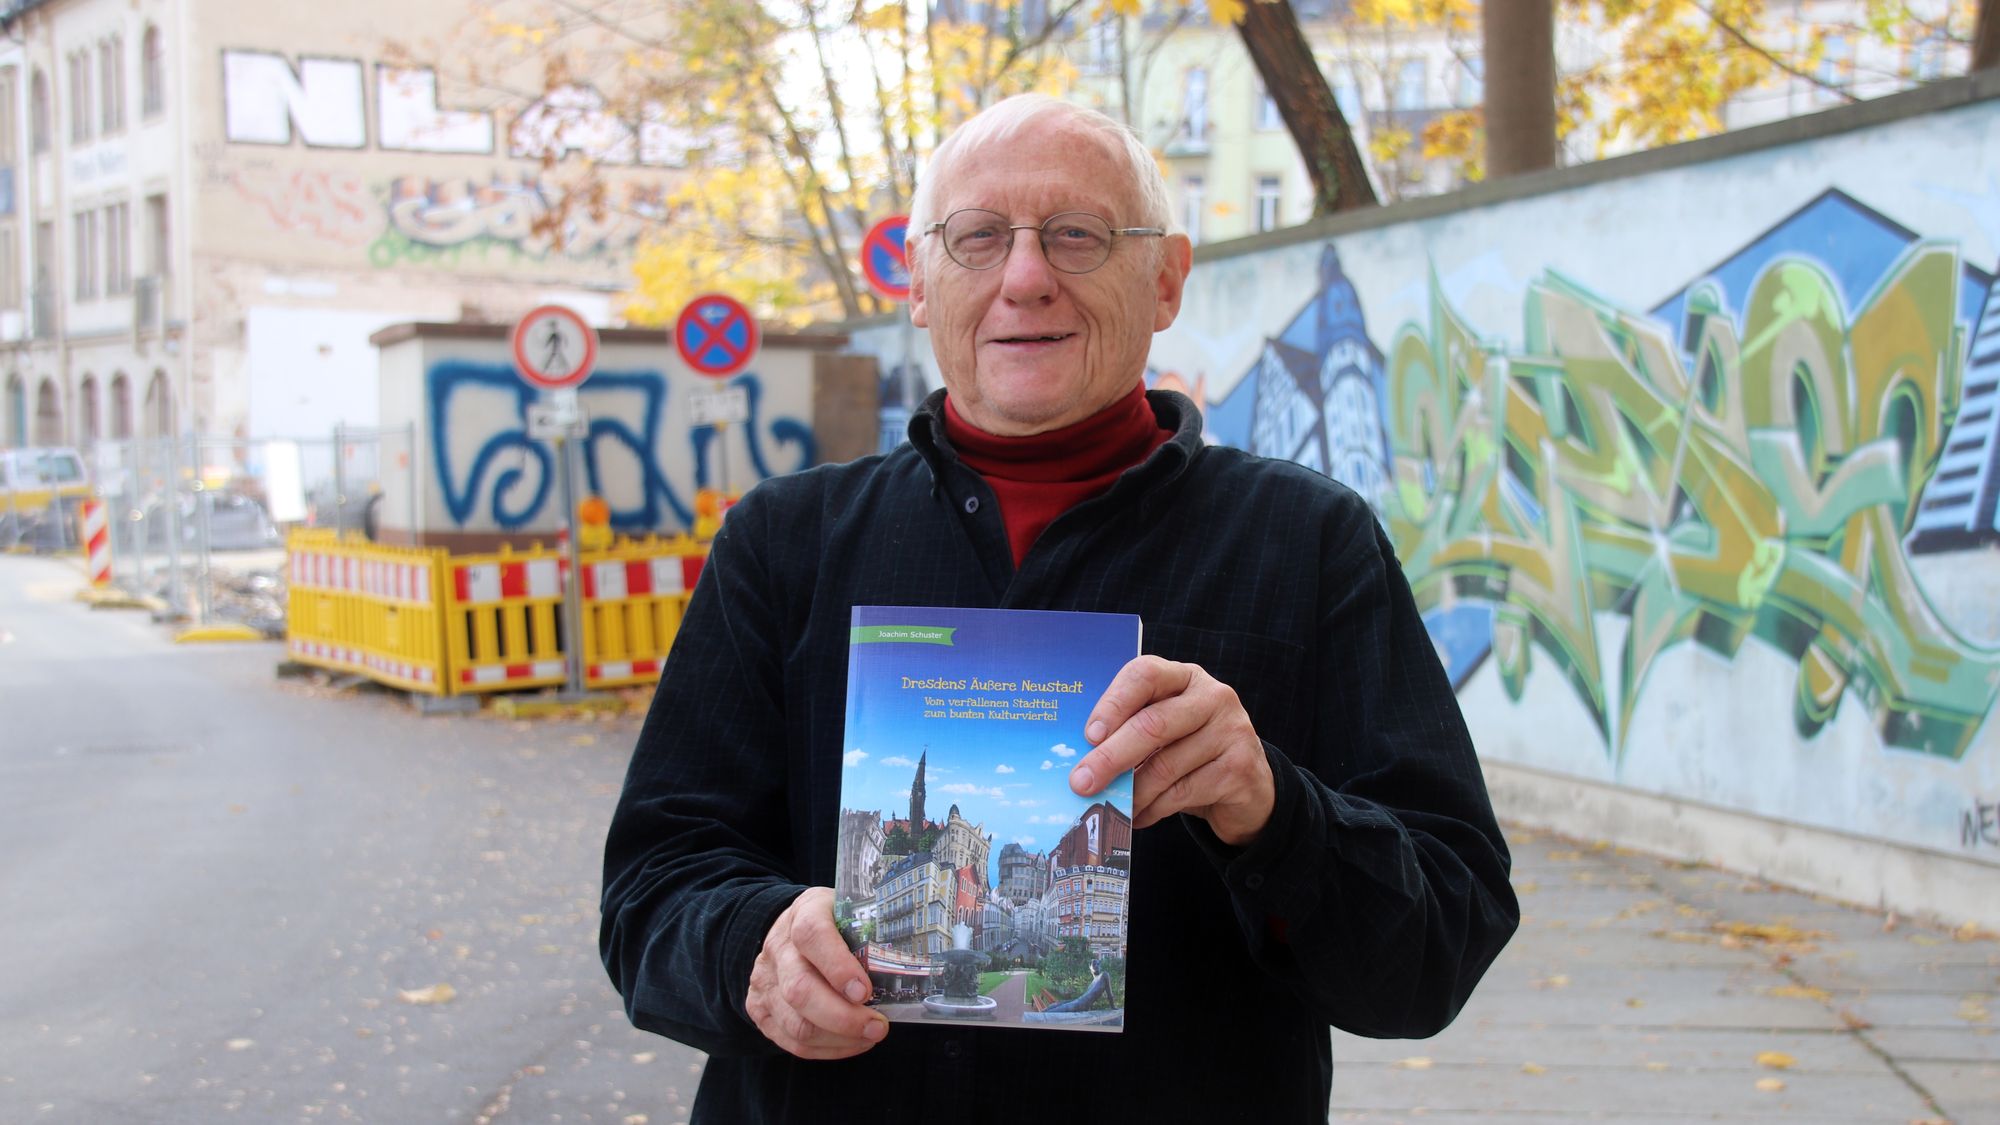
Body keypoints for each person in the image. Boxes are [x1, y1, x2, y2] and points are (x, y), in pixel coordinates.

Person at [601, 93, 1519, 1123]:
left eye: (1076, 235)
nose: (1024, 278)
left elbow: (1439, 946)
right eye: (977, 237)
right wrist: (752, 948)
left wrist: (1274, 812)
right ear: (918, 280)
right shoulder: (786, 542)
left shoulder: (1306, 543)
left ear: (1164, 278)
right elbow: (650, 893)